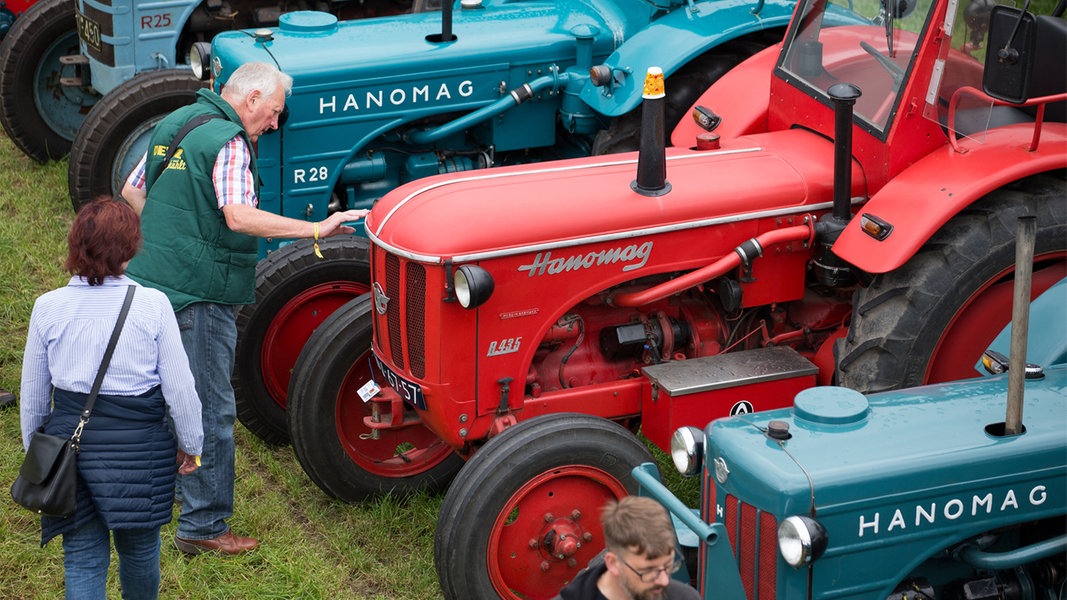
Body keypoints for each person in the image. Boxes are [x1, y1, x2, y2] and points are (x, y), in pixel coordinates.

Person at [121, 61, 368, 556]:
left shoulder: (176, 122)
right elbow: (238, 216)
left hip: (150, 283)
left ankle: (163, 496)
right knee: (210, 406)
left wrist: (174, 238)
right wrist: (317, 229)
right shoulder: (230, 141)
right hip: (201, 291)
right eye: (275, 111)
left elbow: (132, 191)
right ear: (252, 99)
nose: (275, 124)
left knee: (167, 395)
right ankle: (204, 526)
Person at [20, 197, 203, 599]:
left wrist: (40, 456)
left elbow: (33, 398)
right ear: (130, 247)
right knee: (140, 554)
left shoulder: (47, 308)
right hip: (141, 455)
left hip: (71, 452)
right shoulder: (153, 306)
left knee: (83, 558)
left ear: (75, 246)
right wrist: (192, 445)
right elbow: (181, 390)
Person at [553, 496, 700, 600]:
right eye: (648, 571)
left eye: (668, 566)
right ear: (612, 563)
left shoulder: (684, 597)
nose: (664, 581)